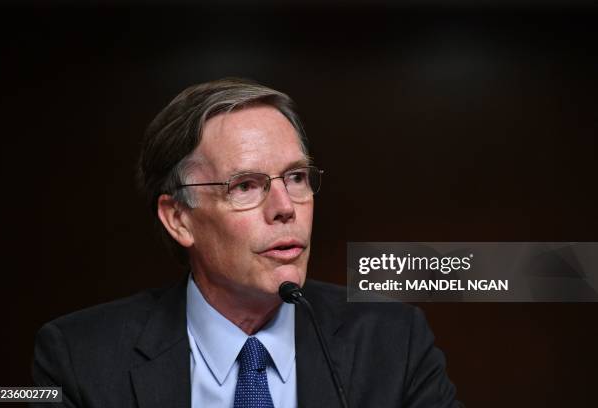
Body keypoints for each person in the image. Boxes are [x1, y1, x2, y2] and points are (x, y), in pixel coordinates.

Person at [32, 78, 461, 407]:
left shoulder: (393, 341)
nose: (284, 207)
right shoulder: (79, 356)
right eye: (245, 186)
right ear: (179, 219)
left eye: (296, 178)